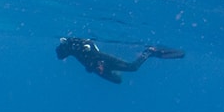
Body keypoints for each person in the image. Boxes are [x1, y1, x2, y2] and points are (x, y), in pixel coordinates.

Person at [55, 37, 185, 83]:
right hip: (97, 66)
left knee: (133, 67)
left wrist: (98, 64)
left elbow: (93, 51)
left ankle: (149, 52)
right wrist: (91, 67)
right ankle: (115, 69)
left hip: (101, 60)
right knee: (118, 80)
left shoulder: (78, 46)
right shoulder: (72, 49)